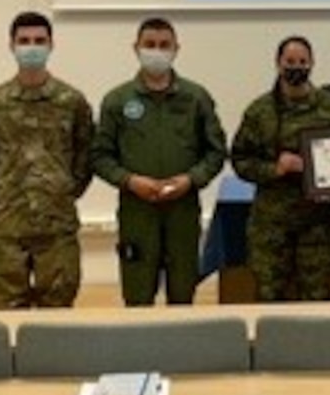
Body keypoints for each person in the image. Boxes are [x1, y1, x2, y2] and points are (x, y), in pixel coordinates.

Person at [91, 16, 228, 306]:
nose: (157, 51)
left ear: (176, 48)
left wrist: (191, 179)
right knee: (138, 296)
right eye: (150, 44)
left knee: (182, 295)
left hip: (183, 210)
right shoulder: (117, 100)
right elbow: (100, 155)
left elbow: (216, 151)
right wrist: (129, 181)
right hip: (136, 211)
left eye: (164, 45)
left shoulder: (195, 98)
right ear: (136, 48)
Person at [0, 10, 94, 309]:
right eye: (24, 40)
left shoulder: (71, 101)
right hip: (6, 226)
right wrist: (9, 190)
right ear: (11, 45)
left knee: (58, 314)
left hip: (57, 226)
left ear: (51, 44)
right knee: (6, 310)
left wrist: (62, 190)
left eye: (39, 40)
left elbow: (85, 155)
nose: (32, 47)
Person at [229, 36, 330, 301]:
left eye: (303, 61)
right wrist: (274, 169)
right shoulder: (259, 111)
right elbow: (240, 160)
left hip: (318, 224)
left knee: (316, 301)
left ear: (312, 63)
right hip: (272, 224)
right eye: (290, 61)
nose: (297, 66)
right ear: (278, 64)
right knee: (269, 299)